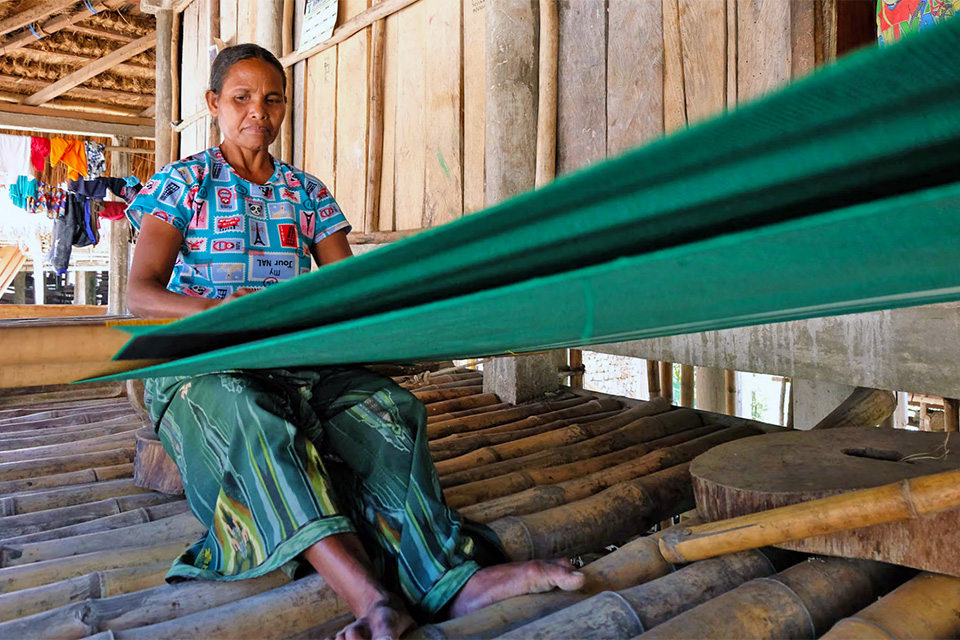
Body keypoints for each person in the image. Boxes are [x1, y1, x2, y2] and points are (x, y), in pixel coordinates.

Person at [126, 44, 584, 640]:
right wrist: (218, 312)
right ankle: (371, 599)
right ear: (214, 103)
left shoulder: (306, 192)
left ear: (284, 107)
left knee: (389, 408)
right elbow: (140, 293)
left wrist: (405, 311)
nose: (256, 112)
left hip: (294, 360)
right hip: (202, 361)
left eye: (271, 100)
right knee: (248, 417)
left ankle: (455, 582)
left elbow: (346, 291)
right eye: (241, 98)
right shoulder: (184, 181)